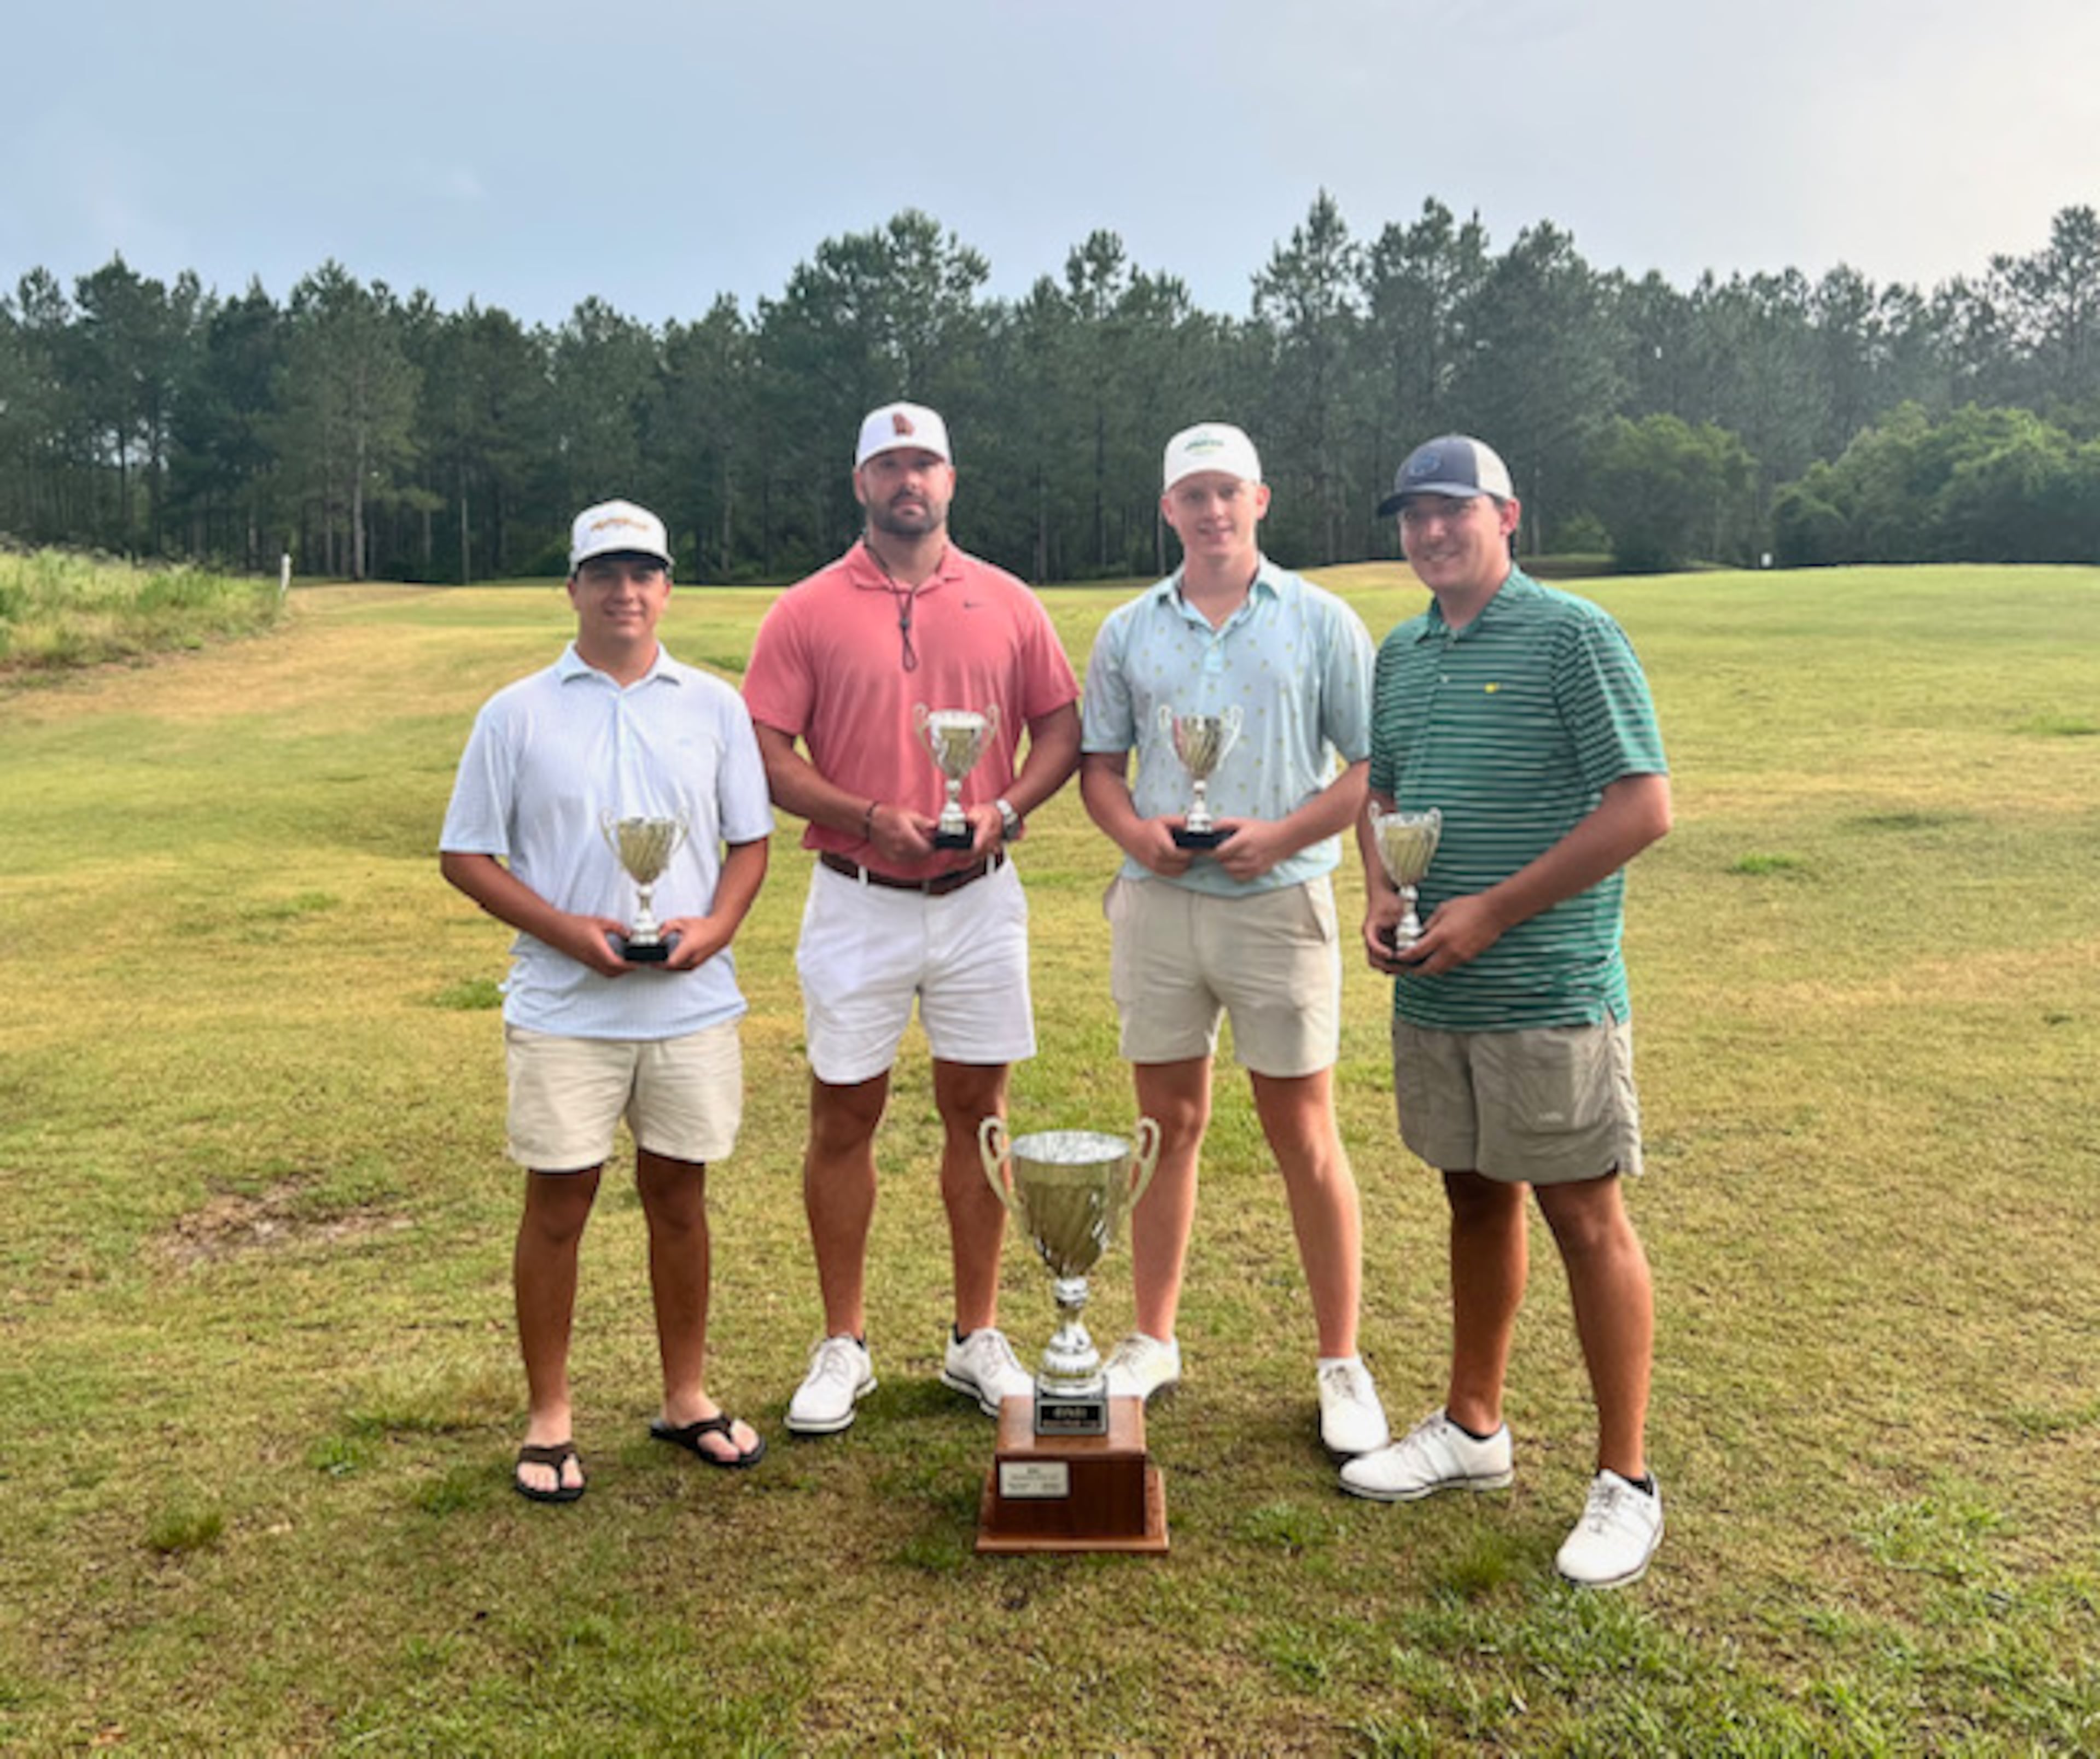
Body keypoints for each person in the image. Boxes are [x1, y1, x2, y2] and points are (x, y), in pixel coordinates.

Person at [1338, 435, 1673, 1589]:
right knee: (1473, 1197)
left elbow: (1644, 806)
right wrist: (1385, 891)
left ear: (1507, 516)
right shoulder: (1404, 649)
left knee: (1585, 1219)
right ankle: (1474, 1430)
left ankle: (1625, 1482)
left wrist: (1493, 910)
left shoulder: (1574, 634)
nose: (1431, 533)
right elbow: (1384, 792)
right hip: (1440, 987)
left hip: (1548, 990)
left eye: (1453, 511)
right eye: (1414, 516)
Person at [742, 401, 1082, 1436]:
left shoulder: (1008, 601)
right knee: (844, 1117)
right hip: (856, 900)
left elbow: (1060, 727)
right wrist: (862, 819)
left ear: (951, 479)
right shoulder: (804, 610)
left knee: (979, 1116)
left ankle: (975, 1335)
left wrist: (1005, 808)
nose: (908, 481)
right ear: (861, 483)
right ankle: (843, 1341)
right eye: (889, 464)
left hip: (979, 900)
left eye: (924, 462)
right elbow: (764, 752)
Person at [439, 499, 774, 1501]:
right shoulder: (518, 711)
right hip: (563, 1006)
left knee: (680, 1199)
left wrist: (712, 931)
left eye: (644, 573)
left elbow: (749, 845)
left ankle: (685, 1395)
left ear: (667, 588)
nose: (625, 592)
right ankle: (550, 1416)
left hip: (686, 1003)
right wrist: (566, 932)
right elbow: (464, 854)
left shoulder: (713, 706)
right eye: (604, 574)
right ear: (573, 589)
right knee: (558, 1205)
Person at [1077, 421, 1390, 1460]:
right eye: (1192, 496)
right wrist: (1136, 836)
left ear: (1262, 499)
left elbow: (1368, 767)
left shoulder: (1322, 621)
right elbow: (1101, 767)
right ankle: (1153, 1336)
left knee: (1304, 1134)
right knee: (1164, 1125)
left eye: (1229, 493)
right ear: (1168, 509)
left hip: (1280, 901)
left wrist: (1286, 835)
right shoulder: (1129, 629)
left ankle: (1340, 1360)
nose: (1212, 512)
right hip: (1160, 903)